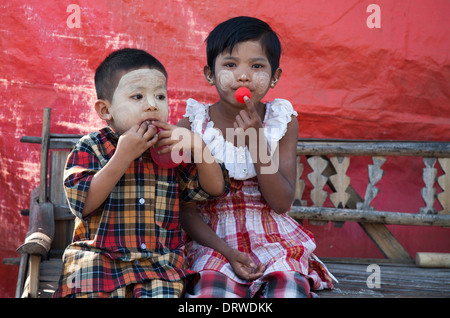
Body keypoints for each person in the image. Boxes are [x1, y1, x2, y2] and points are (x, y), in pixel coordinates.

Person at [179, 16, 336, 298]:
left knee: (288, 291)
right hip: (214, 244)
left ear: (274, 77)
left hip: (274, 240)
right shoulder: (193, 125)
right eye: (230, 64)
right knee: (212, 294)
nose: (243, 76)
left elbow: (280, 202)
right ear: (209, 74)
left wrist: (255, 140)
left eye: (257, 66)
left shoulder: (281, 121)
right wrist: (226, 251)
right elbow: (186, 211)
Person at [53, 48, 230, 298]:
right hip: (99, 261)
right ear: (105, 110)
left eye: (160, 96)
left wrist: (199, 148)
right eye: (137, 97)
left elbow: (214, 189)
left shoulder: (172, 147)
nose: (151, 105)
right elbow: (82, 203)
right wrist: (122, 157)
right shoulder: (90, 146)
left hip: (159, 265)